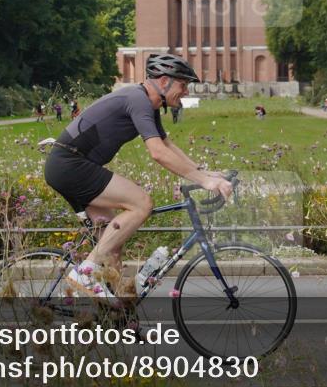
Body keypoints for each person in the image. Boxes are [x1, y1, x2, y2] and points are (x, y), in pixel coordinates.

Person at [44, 53, 232, 304]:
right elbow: (158, 153)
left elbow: (167, 144)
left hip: (72, 165)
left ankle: (121, 317)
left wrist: (204, 172)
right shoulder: (138, 100)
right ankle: (84, 273)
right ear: (164, 81)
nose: (185, 92)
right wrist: (205, 182)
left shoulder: (148, 103)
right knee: (142, 203)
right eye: (182, 85)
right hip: (70, 165)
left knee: (112, 248)